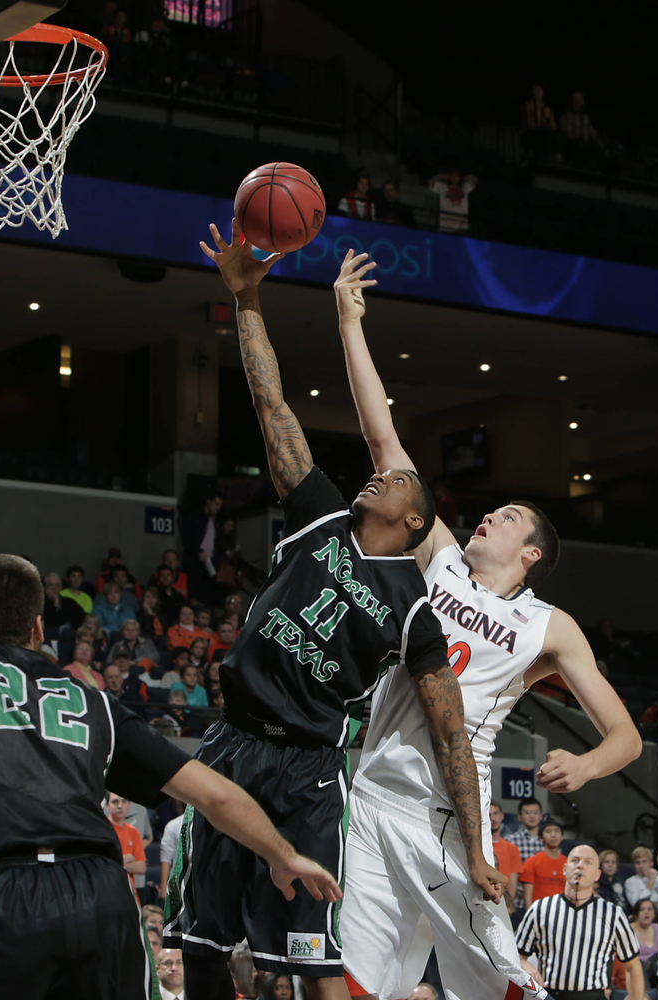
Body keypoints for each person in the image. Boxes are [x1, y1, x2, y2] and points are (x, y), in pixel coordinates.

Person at [165, 219, 498, 1000]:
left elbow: (451, 738)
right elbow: (270, 402)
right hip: (233, 745)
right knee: (203, 945)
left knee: (315, 966)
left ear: (416, 522)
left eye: (396, 482)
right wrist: (247, 297)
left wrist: (478, 849)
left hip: (311, 774)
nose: (377, 479)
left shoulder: (415, 612)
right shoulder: (320, 513)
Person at [332, 249, 641, 1000]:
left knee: (502, 987)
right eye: (489, 509)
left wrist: (588, 766)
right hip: (371, 793)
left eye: (506, 517)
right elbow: (385, 446)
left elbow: (626, 735)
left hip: (449, 812)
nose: (488, 515)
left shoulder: (549, 626)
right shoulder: (438, 559)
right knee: (352, 984)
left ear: (529, 552)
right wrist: (347, 322)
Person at [0, 553, 341, 1000]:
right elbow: (216, 795)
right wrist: (281, 855)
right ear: (39, 627)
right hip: (102, 901)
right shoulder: (94, 700)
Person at [516, 844, 643, 1000]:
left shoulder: (613, 914)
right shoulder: (540, 908)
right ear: (564, 868)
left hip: (593, 996)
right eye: (575, 860)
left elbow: (632, 966)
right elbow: (515, 955)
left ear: (597, 875)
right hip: (549, 995)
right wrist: (526, 965)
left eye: (588, 862)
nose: (580, 866)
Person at [182, 491, 223, 606]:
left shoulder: (215, 521)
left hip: (210, 561)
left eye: (220, 505)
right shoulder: (194, 517)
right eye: (216, 503)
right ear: (208, 502)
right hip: (195, 559)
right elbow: (186, 538)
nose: (218, 507)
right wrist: (197, 551)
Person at [520, 821, 566, 908]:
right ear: (541, 837)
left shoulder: (568, 863)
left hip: (562, 911)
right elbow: (528, 896)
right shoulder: (531, 862)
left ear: (562, 836)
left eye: (556, 831)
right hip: (539, 911)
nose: (553, 835)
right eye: (548, 831)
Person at [106, 792, 147, 887]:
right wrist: (128, 858)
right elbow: (102, 864)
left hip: (129, 889)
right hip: (107, 887)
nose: (120, 806)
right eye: (115, 802)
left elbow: (141, 868)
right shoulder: (102, 829)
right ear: (107, 805)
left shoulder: (134, 831)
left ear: (129, 804)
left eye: (124, 801)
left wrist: (116, 864)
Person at [490, 801, 522, 906]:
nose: (493, 818)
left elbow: (513, 883)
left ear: (502, 816)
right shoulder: (479, 847)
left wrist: (508, 904)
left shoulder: (512, 849)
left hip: (506, 901)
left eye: (495, 813)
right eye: (489, 814)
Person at [427, 168, 478, 233]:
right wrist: (443, 176)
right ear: (449, 177)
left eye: (457, 176)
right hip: (446, 226)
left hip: (461, 226)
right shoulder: (442, 187)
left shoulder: (465, 187)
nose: (454, 178)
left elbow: (475, 181)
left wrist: (467, 177)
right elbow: (430, 182)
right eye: (452, 176)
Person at [624, 847, 658, 913]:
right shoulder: (630, 882)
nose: (641, 866)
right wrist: (651, 881)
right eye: (637, 862)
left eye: (644, 861)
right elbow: (636, 904)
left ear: (651, 863)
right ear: (633, 865)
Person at [159, 812, 185, 901]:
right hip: (179, 881)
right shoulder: (174, 825)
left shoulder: (215, 823)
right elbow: (166, 858)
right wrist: (163, 886)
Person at [630, 899, 658, 966]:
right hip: (637, 969)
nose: (646, 912)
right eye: (642, 909)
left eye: (649, 909)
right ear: (636, 914)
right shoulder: (628, 930)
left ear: (654, 915)